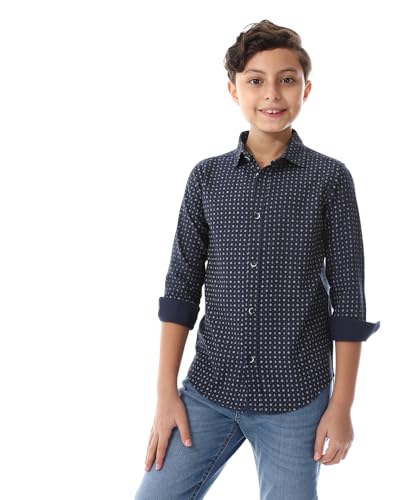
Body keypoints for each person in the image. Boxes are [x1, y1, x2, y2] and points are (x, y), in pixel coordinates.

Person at [135, 19, 380, 500]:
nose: (272, 93)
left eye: (287, 79)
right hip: (210, 391)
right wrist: (166, 395)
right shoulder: (206, 179)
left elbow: (349, 301)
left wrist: (342, 406)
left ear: (306, 88)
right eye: (255, 80)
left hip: (296, 397)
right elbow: (181, 289)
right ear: (233, 90)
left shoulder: (330, 179)